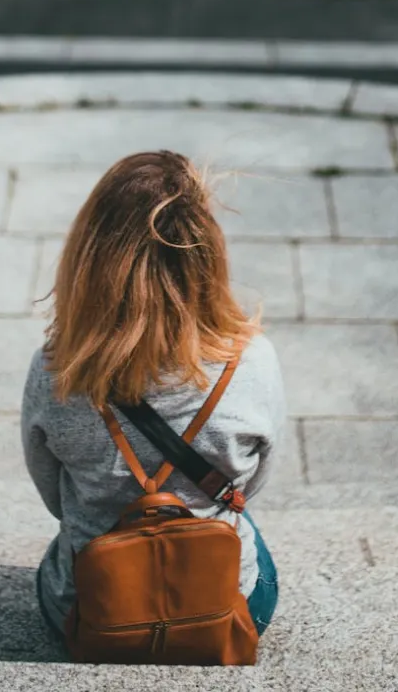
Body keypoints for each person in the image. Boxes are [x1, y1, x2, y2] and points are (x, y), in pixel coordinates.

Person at [22, 149, 287, 651]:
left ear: (89, 257)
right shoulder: (251, 361)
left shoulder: (56, 370)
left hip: (91, 610)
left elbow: (53, 494)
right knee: (237, 515)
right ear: (208, 256)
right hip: (222, 609)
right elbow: (254, 485)